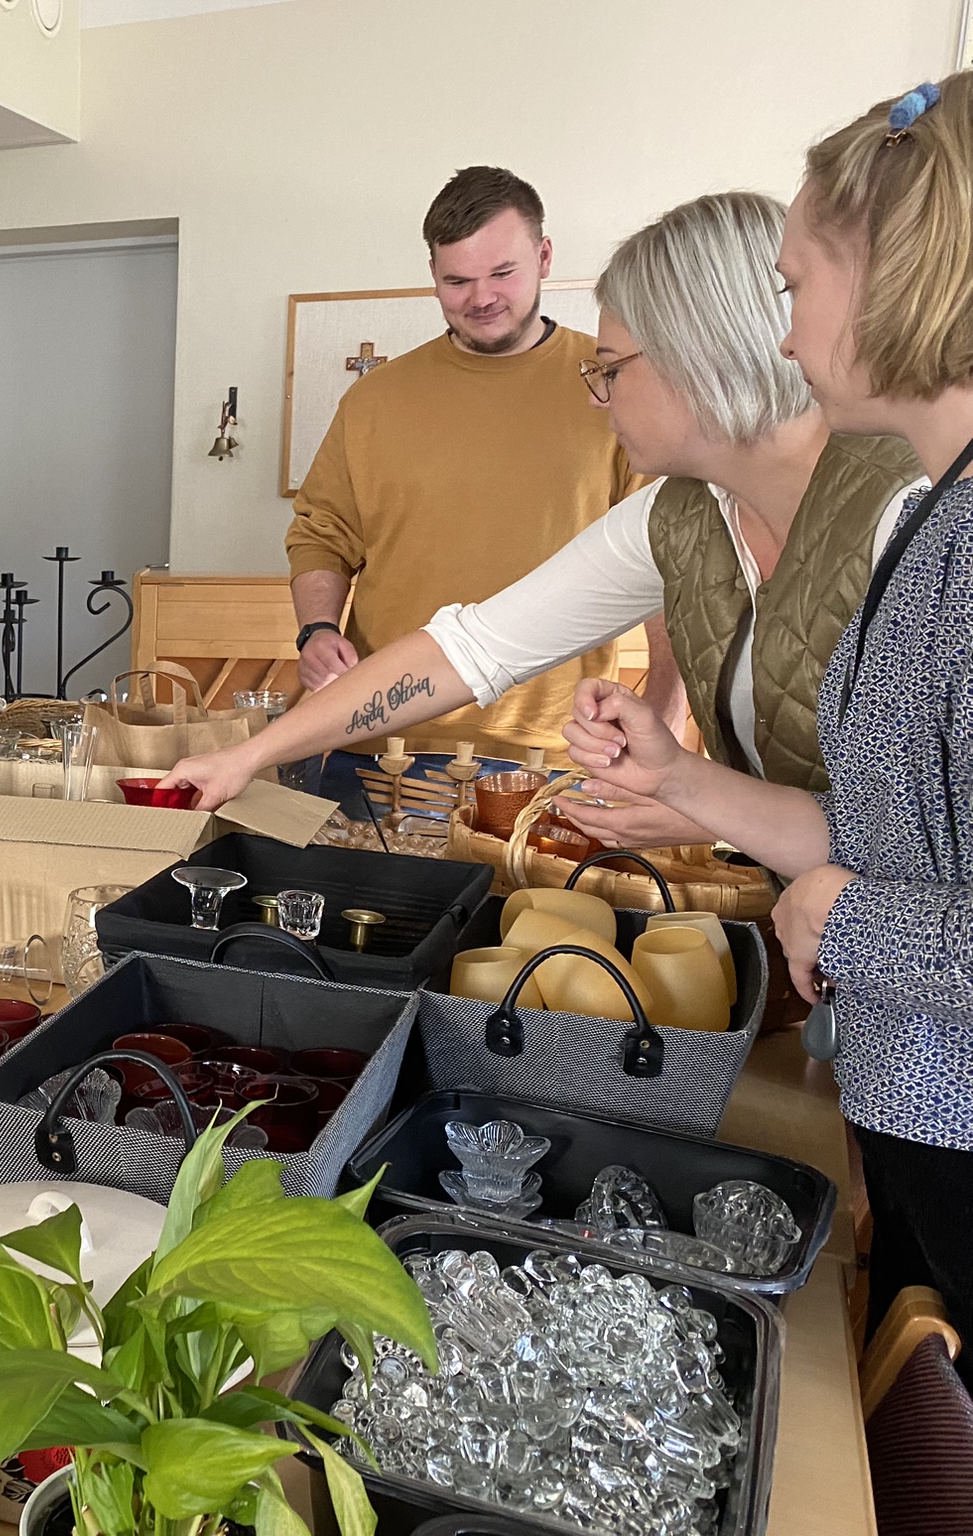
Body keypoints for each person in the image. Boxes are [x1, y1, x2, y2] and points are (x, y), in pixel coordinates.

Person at [564, 75, 973, 1366]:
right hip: (916, 1131)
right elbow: (885, 830)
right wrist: (679, 776)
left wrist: (845, 914)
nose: (787, 338)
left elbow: (879, 888)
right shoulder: (929, 520)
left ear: (898, 273)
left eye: (796, 287)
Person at [165, 192, 925, 852]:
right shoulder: (682, 510)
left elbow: (924, 839)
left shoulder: (914, 515)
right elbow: (471, 648)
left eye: (612, 370)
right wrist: (247, 756)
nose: (598, 398)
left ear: (697, 356)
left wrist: (700, 803)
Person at [284, 165, 666, 783]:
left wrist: (665, 735)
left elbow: (664, 568)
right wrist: (317, 630)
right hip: (373, 740)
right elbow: (321, 534)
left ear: (543, 256)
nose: (481, 297)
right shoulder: (374, 399)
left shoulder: (613, 384)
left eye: (502, 273)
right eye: (457, 280)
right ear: (432, 276)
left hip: (551, 753)